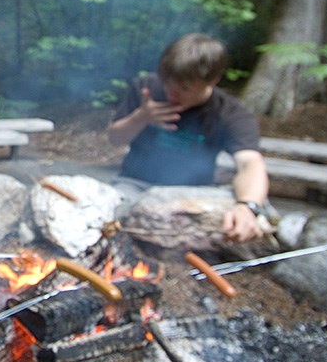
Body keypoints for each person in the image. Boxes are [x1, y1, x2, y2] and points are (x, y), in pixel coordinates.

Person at [107, 33, 270, 243]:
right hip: (134, 185)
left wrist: (248, 207)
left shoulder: (229, 113)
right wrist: (141, 117)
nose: (171, 93)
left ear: (213, 80)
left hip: (192, 196)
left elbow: (250, 163)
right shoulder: (146, 88)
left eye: (184, 87)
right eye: (167, 83)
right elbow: (115, 139)